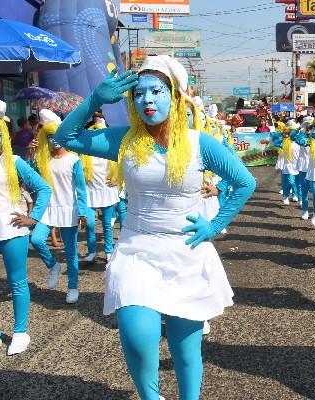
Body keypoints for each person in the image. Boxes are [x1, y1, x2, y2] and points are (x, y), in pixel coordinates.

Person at [54, 56, 255, 400]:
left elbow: (243, 182)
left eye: (156, 91)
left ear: (175, 97)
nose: (147, 100)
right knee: (138, 336)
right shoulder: (126, 140)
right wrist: (95, 100)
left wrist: (215, 225)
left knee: (185, 349)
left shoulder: (199, 142)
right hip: (137, 249)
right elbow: (66, 136)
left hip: (186, 252)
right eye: (139, 94)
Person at [0, 100, 51, 355]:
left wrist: (34, 218)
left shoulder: (15, 162)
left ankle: (20, 332)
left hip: (11, 229)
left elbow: (43, 188)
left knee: (17, 282)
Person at [30, 109, 88, 304]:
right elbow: (29, 177)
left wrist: (83, 212)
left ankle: (73, 287)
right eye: (48, 136)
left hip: (68, 210)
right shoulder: (43, 160)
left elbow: (81, 189)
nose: (53, 140)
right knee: (37, 239)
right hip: (48, 209)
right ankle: (53, 265)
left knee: (71, 252)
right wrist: (32, 153)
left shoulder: (74, 160)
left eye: (55, 134)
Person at [80, 117, 120, 262]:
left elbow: (122, 167)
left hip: (107, 192)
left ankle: (108, 250)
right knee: (90, 223)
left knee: (107, 225)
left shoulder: (111, 151)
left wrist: (117, 179)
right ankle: (92, 252)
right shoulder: (85, 153)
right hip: (90, 192)